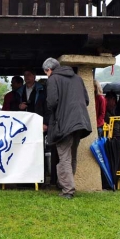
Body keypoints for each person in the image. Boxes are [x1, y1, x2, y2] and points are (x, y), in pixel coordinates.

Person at [43, 58, 91, 199]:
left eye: (46, 72)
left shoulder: (53, 79)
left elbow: (52, 102)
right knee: (72, 155)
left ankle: (67, 190)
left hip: (63, 123)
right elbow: (86, 100)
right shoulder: (77, 78)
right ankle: (66, 184)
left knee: (64, 156)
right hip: (80, 122)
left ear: (48, 70)